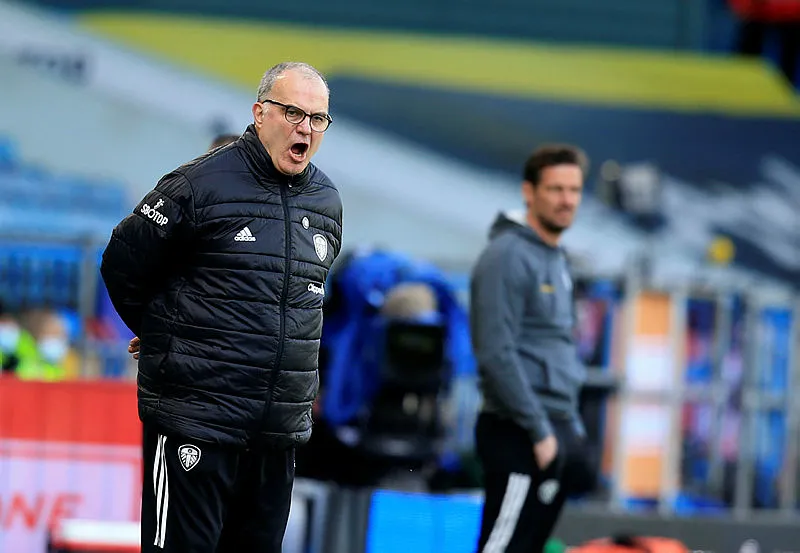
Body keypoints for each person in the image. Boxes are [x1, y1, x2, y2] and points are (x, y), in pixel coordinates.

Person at [101, 61, 342, 553]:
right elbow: (122, 263)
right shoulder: (198, 184)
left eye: (318, 118)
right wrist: (162, 331)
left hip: (275, 434)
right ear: (260, 113)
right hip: (197, 420)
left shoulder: (326, 201)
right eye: (293, 112)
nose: (306, 128)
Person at [470, 144, 596, 553]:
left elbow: (556, 347)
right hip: (519, 431)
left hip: (554, 426)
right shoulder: (506, 256)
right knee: (500, 548)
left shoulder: (556, 257)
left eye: (574, 190)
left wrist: (568, 428)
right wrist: (540, 432)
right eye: (556, 189)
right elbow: (495, 353)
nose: (567, 200)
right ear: (529, 192)